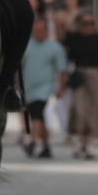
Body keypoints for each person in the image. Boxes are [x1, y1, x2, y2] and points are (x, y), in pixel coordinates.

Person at [20, 16, 67, 158]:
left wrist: (61, 88)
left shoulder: (55, 47)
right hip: (29, 87)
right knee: (39, 117)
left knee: (36, 112)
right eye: (36, 30)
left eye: (41, 29)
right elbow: (20, 67)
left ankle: (32, 142)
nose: (38, 32)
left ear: (47, 30)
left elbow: (62, 70)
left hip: (45, 87)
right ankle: (46, 147)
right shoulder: (26, 45)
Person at [62, 10, 98, 159]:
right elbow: (64, 49)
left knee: (95, 107)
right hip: (78, 74)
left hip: (95, 74)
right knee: (79, 108)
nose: (88, 26)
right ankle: (79, 141)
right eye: (85, 23)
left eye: (91, 23)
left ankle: (89, 144)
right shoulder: (73, 38)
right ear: (78, 24)